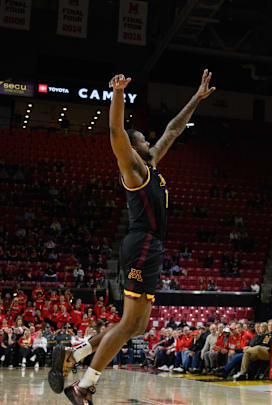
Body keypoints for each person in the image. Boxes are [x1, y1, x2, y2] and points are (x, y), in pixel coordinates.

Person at [50, 70, 215, 404]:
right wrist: (118, 94)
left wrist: (196, 99)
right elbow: (115, 132)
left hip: (151, 247)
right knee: (127, 325)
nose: (148, 142)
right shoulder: (134, 170)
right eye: (141, 140)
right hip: (141, 244)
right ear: (135, 148)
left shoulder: (151, 165)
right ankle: (83, 386)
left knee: (136, 327)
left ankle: (74, 354)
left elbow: (173, 128)